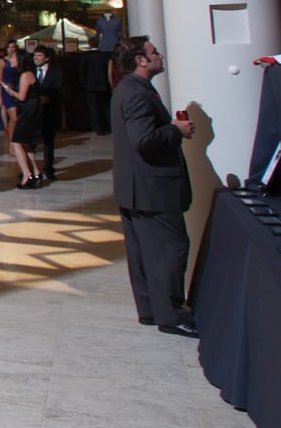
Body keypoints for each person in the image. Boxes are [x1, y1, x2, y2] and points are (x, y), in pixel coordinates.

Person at [111, 35, 197, 337]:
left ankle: (151, 309)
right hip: (151, 186)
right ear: (141, 61)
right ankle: (170, 314)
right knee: (169, 249)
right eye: (153, 52)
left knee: (145, 251)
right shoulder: (135, 92)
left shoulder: (129, 88)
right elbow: (143, 139)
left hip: (137, 185)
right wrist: (175, 130)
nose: (160, 55)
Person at [2, 53, 42, 189]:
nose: (11, 60)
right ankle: (36, 172)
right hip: (31, 111)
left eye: (13, 57)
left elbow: (21, 97)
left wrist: (9, 90)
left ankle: (27, 174)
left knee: (16, 143)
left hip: (28, 113)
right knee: (26, 144)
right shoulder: (29, 73)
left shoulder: (25, 75)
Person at [31, 44, 64, 182]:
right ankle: (30, 169)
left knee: (48, 142)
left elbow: (62, 92)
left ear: (47, 58)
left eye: (39, 56)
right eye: (34, 56)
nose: (36, 59)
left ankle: (48, 169)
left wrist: (48, 98)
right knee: (31, 142)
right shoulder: (30, 71)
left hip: (50, 111)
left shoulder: (56, 73)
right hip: (33, 112)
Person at [81, 46, 113, 136]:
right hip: (104, 85)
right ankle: (111, 126)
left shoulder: (85, 57)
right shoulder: (105, 56)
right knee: (107, 107)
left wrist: (84, 84)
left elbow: (82, 72)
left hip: (90, 87)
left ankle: (99, 129)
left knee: (94, 108)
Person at [0, 39, 21, 140]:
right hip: (7, 91)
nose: (12, 49)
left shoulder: (19, 61)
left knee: (18, 118)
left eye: (14, 47)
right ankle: (12, 140)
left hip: (18, 90)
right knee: (14, 117)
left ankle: (17, 140)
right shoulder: (2, 62)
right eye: (10, 47)